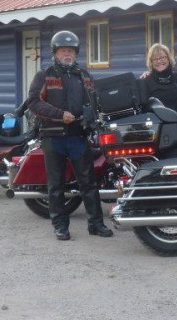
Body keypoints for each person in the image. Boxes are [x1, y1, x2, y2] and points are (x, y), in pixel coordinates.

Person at [26, 30, 113, 241]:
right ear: (55, 52)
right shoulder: (44, 75)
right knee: (56, 185)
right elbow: (33, 102)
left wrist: (92, 115)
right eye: (64, 50)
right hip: (52, 137)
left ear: (76, 53)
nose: (68, 54)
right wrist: (59, 115)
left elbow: (95, 102)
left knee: (89, 182)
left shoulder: (84, 76)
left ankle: (96, 224)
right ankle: (60, 226)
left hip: (77, 137)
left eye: (71, 51)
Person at [141, 43, 177, 110]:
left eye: (162, 57)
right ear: (151, 62)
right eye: (155, 59)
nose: (159, 61)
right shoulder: (146, 80)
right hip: (156, 120)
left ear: (168, 58)